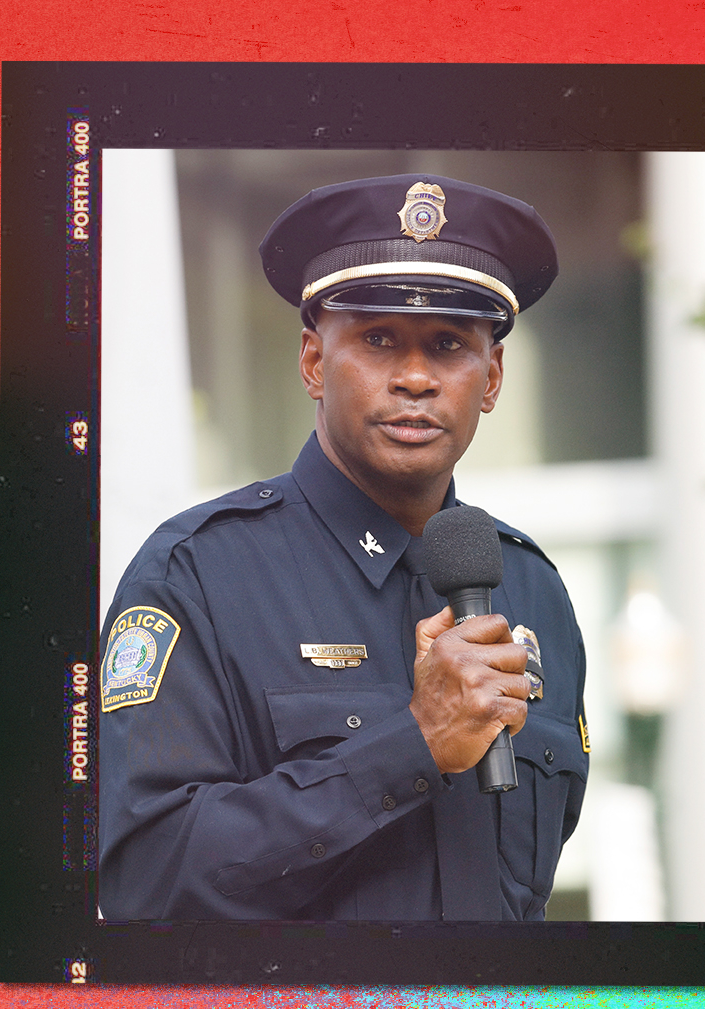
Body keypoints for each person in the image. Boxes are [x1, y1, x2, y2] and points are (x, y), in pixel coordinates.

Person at [98, 175, 589, 921]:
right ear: (313, 364)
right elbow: (143, 879)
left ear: (490, 379)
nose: (417, 378)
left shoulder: (531, 588)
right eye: (378, 339)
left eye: (450, 345)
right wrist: (411, 747)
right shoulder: (197, 575)